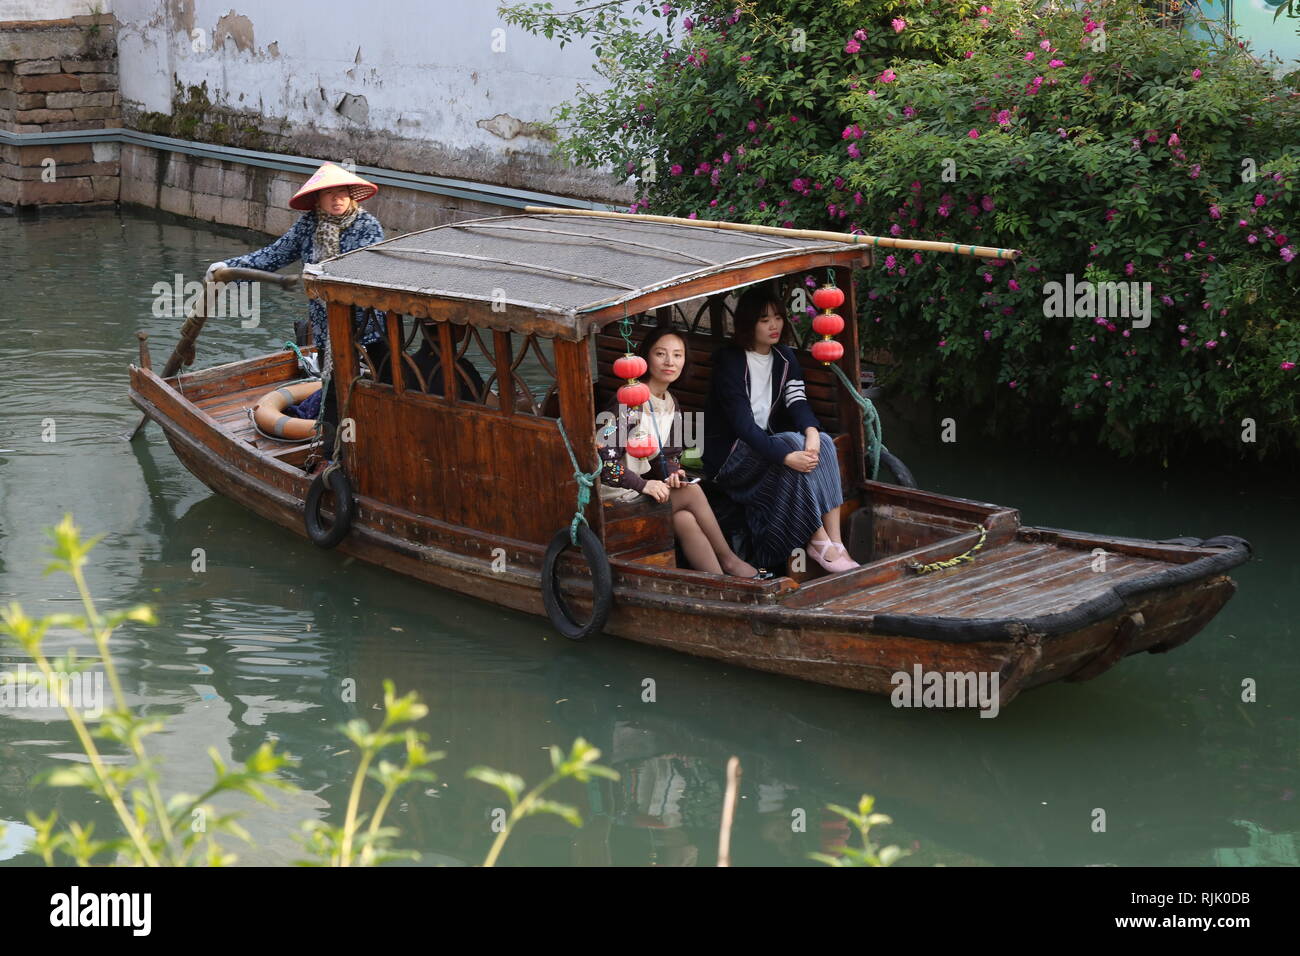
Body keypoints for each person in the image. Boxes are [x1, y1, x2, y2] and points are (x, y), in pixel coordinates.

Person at [207, 162, 386, 425]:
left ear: (351, 195)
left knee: (382, 382)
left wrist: (324, 275)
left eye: (342, 192)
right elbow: (273, 255)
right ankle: (332, 449)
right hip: (328, 327)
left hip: (368, 326)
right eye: (329, 193)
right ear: (318, 199)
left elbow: (368, 271)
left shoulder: (367, 226)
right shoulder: (308, 226)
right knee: (335, 388)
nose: (337, 199)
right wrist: (230, 267)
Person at [703, 284, 858, 574]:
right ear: (748, 324)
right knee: (788, 441)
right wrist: (786, 456)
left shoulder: (785, 358)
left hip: (765, 447)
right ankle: (817, 540)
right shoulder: (730, 361)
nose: (774, 325)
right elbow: (743, 425)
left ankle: (836, 543)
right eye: (764, 320)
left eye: (777, 317)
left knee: (824, 441)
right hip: (730, 457)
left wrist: (811, 431)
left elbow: (797, 402)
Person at [598, 324, 770, 579]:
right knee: (692, 492)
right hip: (618, 496)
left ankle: (720, 583)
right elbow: (606, 463)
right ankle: (731, 561)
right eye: (660, 354)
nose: (670, 362)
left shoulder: (670, 402)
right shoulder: (628, 404)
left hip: (643, 489)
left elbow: (668, 456)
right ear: (646, 358)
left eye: (677, 355)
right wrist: (643, 485)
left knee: (685, 519)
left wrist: (673, 474)